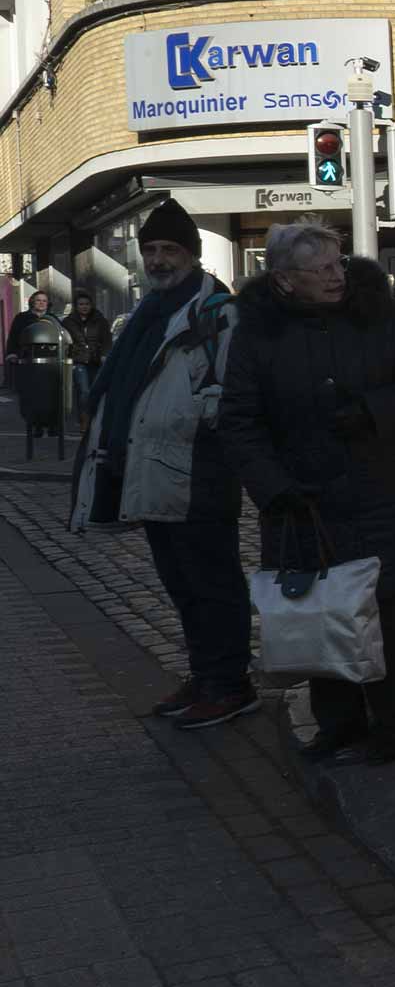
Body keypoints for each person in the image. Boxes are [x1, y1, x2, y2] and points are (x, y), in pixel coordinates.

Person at [220, 218, 395, 766]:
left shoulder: (379, 313)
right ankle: (337, 726)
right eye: (318, 269)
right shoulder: (256, 331)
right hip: (304, 504)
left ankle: (388, 728)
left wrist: (372, 411)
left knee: (385, 618)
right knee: (319, 616)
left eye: (337, 263)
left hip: (383, 494)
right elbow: (239, 421)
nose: (334, 275)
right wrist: (274, 487)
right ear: (283, 280)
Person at [70, 200, 254, 729]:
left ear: (192, 255)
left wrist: (191, 416)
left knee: (212, 583)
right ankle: (205, 675)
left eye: (169, 249)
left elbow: (234, 392)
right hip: (154, 470)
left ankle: (230, 684)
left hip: (198, 471)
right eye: (150, 249)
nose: (157, 259)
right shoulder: (149, 313)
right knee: (181, 584)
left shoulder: (217, 311)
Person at [6, 290, 66, 438]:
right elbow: (13, 337)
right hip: (29, 363)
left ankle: (53, 426)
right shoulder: (22, 318)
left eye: (44, 301)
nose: (41, 303)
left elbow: (62, 337)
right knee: (31, 396)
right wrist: (12, 354)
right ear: (32, 302)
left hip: (51, 363)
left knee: (53, 395)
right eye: (38, 300)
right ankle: (36, 426)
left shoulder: (53, 319)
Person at [61, 291, 113, 419]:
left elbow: (107, 340)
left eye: (87, 304)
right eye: (81, 304)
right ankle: (85, 418)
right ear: (76, 306)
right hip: (78, 360)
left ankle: (96, 417)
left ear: (91, 305)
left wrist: (104, 354)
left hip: (96, 360)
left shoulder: (100, 321)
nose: (84, 306)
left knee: (97, 390)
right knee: (83, 390)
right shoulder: (68, 322)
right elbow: (64, 341)